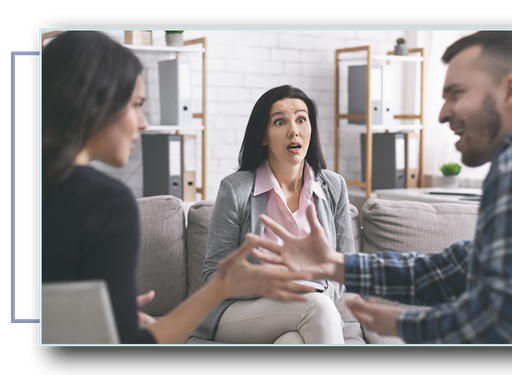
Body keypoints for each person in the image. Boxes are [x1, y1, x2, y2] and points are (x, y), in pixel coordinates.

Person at [252, 31, 512, 344]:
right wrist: (336, 264)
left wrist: (410, 325)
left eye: (456, 93)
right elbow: (462, 268)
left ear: (510, 90)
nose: (442, 113)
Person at [41, 31, 314, 345]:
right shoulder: (106, 205)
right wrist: (219, 288)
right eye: (135, 104)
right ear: (95, 100)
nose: (143, 123)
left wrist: (100, 316)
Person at [190, 85, 354, 344]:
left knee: (292, 341)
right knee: (317, 309)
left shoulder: (334, 187)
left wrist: (317, 288)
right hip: (241, 312)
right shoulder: (236, 190)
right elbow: (212, 277)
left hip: (309, 307)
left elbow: (345, 268)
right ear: (263, 136)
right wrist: (269, 284)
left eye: (301, 119)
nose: (294, 130)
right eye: (280, 122)